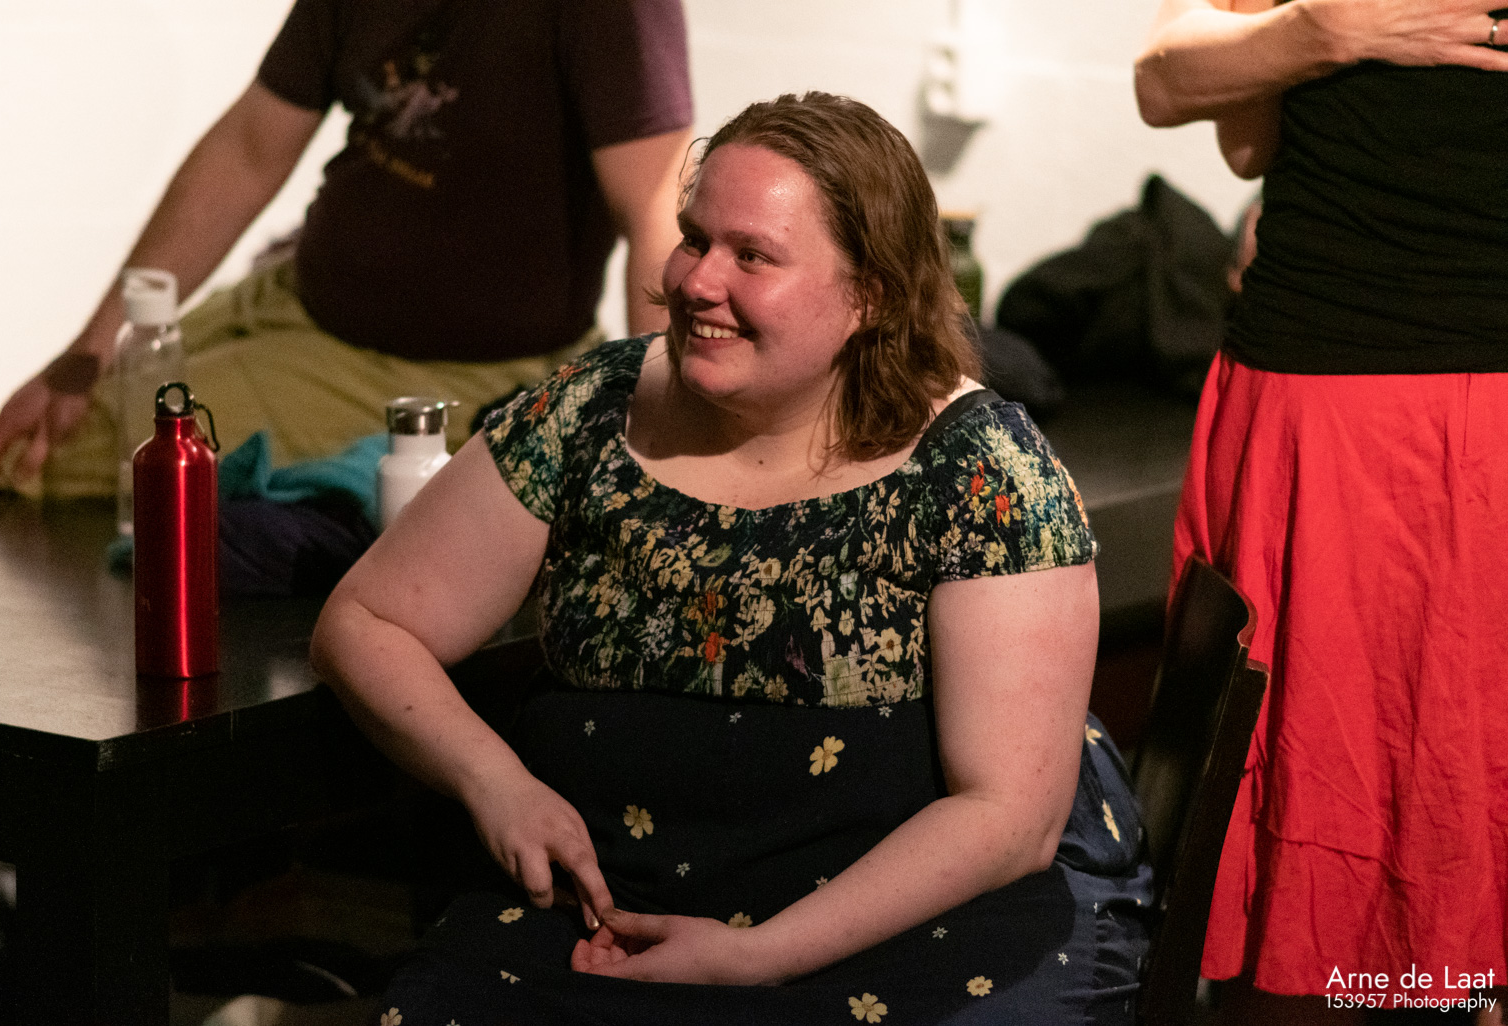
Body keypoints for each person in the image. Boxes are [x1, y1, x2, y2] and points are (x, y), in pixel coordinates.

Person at [310, 92, 1151, 1024]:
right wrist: (493, 782)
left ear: (870, 294)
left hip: (906, 925)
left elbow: (1010, 817)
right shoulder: (592, 411)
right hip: (607, 911)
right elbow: (367, 620)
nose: (696, 280)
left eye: (752, 255)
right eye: (693, 239)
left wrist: (756, 958)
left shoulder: (979, 469)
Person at [1137, 2, 1508, 1022]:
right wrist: (1331, 31)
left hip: (1399, 405)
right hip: (1331, 393)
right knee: (1339, 792)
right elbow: (1176, 90)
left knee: (1436, 795)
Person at [0, 0, 693, 497]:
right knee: (53, 418)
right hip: (295, 295)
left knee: (47, 459)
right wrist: (92, 346)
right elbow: (248, 151)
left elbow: (656, 214)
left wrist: (651, 455)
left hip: (444, 369)